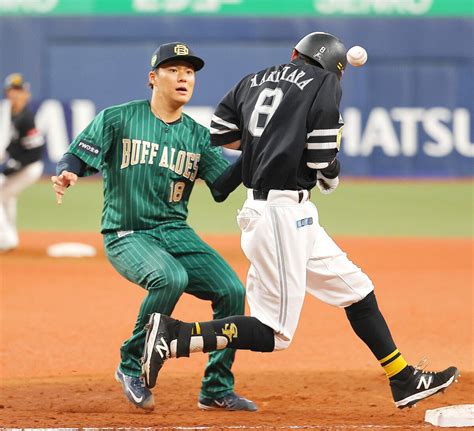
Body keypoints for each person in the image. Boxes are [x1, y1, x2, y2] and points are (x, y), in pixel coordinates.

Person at [142, 32, 460, 410]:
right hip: (280, 217)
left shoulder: (254, 78)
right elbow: (322, 162)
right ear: (336, 71)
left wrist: (271, 141)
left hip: (291, 215)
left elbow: (222, 134)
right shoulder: (326, 82)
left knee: (357, 289)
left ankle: (403, 379)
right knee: (274, 333)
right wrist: (326, 168)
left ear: (295, 54)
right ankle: (175, 336)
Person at [51, 42, 256, 412]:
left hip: (174, 232)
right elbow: (78, 153)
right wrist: (68, 171)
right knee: (170, 278)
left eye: (190, 72)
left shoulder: (197, 135)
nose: (184, 77)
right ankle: (130, 365)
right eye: (174, 69)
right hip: (126, 232)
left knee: (231, 290)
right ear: (153, 78)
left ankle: (215, 387)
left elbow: (222, 188)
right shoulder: (119, 118)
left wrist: (254, 151)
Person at [0, 73, 45, 252]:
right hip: (16, 166)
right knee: (7, 197)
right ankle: (9, 237)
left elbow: (35, 152)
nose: (14, 94)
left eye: (18, 91)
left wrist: (10, 168)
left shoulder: (26, 118)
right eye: (11, 90)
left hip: (29, 168)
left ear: (26, 94)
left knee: (3, 196)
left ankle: (7, 239)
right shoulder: (7, 114)